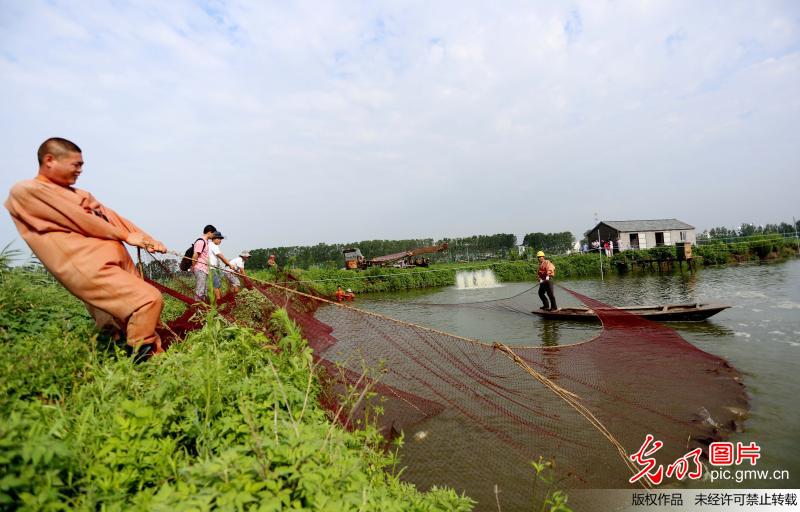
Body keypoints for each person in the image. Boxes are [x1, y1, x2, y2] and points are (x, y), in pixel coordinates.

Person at [4, 138, 166, 358]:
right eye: (76, 164)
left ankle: (118, 359)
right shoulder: (27, 191)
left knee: (122, 319)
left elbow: (110, 217)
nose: (80, 170)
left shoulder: (80, 195)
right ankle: (142, 361)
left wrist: (148, 240)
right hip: (88, 266)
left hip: (117, 260)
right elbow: (79, 219)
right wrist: (126, 236)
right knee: (147, 300)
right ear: (49, 160)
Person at [190, 224, 217, 302]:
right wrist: (194, 267)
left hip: (204, 269)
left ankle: (202, 308)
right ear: (209, 232)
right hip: (200, 268)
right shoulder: (201, 242)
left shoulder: (206, 242)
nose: (214, 236)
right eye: (213, 234)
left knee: (204, 290)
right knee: (200, 290)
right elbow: (195, 256)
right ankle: (198, 309)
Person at [207, 232, 234, 301]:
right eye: (219, 239)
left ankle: (218, 299)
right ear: (214, 239)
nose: (220, 240)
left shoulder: (210, 245)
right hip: (211, 268)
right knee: (216, 284)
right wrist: (229, 264)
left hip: (212, 267)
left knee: (217, 283)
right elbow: (220, 256)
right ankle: (219, 300)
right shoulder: (213, 245)